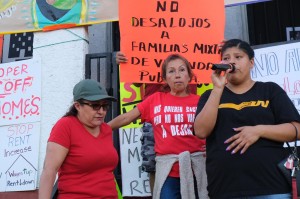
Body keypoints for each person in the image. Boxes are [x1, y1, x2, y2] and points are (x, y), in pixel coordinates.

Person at [194, 39, 300, 199]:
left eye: (238, 57)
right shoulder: (210, 96)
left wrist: (259, 130)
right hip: (225, 188)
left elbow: (297, 129)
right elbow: (201, 131)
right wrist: (217, 89)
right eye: (227, 58)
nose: (232, 62)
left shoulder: (269, 90)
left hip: (271, 187)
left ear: (251, 62)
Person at [110, 53, 208, 199]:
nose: (177, 75)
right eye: (171, 71)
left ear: (190, 76)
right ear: (164, 79)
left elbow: (218, 125)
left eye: (182, 70)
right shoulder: (155, 100)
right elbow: (127, 117)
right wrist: (101, 128)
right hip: (168, 172)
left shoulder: (202, 101)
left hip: (197, 169)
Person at [39, 79, 118, 199]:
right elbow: (49, 170)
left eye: (105, 106)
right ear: (77, 106)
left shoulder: (105, 129)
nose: (101, 111)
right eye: (95, 106)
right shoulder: (65, 126)